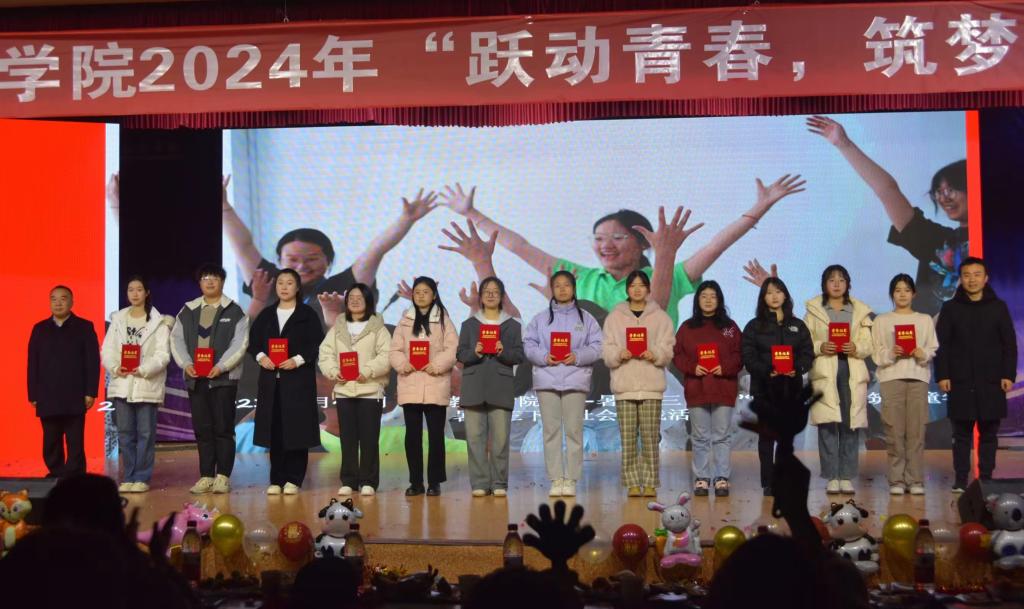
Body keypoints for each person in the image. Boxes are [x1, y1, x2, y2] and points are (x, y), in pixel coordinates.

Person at [438, 177, 805, 326]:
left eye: (616, 237)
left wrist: (761, 206)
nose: (605, 246)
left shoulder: (669, 275)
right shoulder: (578, 277)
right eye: (599, 238)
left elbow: (716, 244)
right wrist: (472, 214)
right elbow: (520, 246)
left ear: (643, 241)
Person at [222, 176, 438, 325]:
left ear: (328, 260)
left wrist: (406, 220)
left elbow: (376, 250)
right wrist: (224, 207)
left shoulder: (344, 286)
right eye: (292, 259)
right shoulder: (266, 282)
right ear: (279, 260)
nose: (301, 266)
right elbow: (243, 246)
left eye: (312, 259)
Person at [807, 115, 967, 315]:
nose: (944, 198)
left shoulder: (1000, 244)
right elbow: (887, 191)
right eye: (938, 192)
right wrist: (845, 145)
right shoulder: (941, 241)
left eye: (951, 190)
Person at [935, 257, 1017, 493]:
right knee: (961, 434)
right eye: (967, 275)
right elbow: (942, 345)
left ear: (986, 278)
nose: (972, 280)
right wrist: (942, 375)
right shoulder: (950, 308)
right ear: (961, 279)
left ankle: (986, 478)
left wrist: (1008, 375)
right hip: (959, 381)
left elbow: (1009, 345)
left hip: (992, 381)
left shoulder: (998, 307)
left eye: (977, 274)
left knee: (989, 433)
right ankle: (961, 479)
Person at [523, 271, 604, 497]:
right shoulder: (540, 319)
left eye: (566, 285)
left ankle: (571, 479)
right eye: (557, 285)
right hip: (546, 380)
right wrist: (543, 356)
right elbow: (528, 344)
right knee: (551, 431)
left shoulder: (586, 319)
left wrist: (577, 356)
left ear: (574, 288)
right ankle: (556, 479)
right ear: (552, 289)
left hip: (575, 380)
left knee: (574, 431)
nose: (562, 289)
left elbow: (598, 346)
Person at [170, 264, 249, 495]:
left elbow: (240, 343)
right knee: (203, 429)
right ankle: (206, 476)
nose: (210, 281)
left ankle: (223, 476)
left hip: (223, 379)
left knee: (223, 428)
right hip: (196, 379)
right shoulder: (188, 310)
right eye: (205, 278)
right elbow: (176, 340)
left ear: (222, 281)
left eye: (214, 277)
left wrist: (221, 366)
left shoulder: (235, 311)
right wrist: (186, 364)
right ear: (199, 283)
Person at [247, 269, 324, 495]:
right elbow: (253, 342)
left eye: (289, 283)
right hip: (271, 382)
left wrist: (297, 360)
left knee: (297, 429)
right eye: (280, 282)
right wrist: (262, 357)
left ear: (297, 288)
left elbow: (316, 343)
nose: (284, 287)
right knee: (275, 430)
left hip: (298, 381)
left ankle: (294, 479)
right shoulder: (267, 314)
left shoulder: (307, 314)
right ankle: (276, 479)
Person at [601, 270, 675, 497]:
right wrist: (618, 354)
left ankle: (650, 482)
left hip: (651, 386)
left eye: (641, 285)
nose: (637, 289)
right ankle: (633, 482)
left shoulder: (661, 317)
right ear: (627, 290)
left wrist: (656, 353)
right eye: (632, 285)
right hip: (624, 386)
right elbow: (606, 348)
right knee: (628, 438)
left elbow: (668, 346)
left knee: (651, 437)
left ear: (648, 289)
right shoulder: (614, 317)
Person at [804, 265, 874, 495]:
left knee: (850, 424)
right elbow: (805, 342)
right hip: (825, 372)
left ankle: (846, 475)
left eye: (841, 280)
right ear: (824, 284)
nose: (836, 284)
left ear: (847, 284)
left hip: (852, 371)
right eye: (831, 280)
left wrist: (856, 347)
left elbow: (869, 344)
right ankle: (831, 476)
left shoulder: (859, 310)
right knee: (827, 425)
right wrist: (820, 346)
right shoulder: (814, 310)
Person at [741, 278, 814, 496]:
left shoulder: (798, 325)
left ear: (785, 296)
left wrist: (797, 368)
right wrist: (767, 370)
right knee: (766, 438)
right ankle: (768, 482)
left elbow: (807, 354)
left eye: (778, 291)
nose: (774, 296)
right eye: (769, 293)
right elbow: (748, 356)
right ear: (763, 298)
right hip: (764, 389)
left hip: (791, 391)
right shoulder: (754, 326)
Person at [100, 276, 173, 493]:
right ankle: (129, 476)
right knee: (125, 433)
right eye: (130, 289)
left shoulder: (159, 322)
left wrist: (142, 369)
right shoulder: (118, 319)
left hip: (145, 384)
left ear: (147, 292)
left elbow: (163, 355)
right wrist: (115, 367)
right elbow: (107, 350)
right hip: (122, 384)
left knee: (145, 434)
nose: (134, 293)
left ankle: (142, 477)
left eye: (139, 289)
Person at [318, 283, 392, 496]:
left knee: (369, 438)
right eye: (351, 297)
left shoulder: (378, 328)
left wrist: (366, 371)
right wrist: (334, 372)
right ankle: (349, 480)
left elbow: (386, 355)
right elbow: (325, 355)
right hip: (344, 391)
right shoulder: (338, 328)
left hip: (370, 390)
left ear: (368, 301)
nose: (355, 301)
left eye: (360, 297)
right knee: (348, 438)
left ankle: (369, 481)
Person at [456, 277, 525, 498]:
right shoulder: (469, 325)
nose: (491, 294)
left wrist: (503, 351)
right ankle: (479, 482)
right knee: (475, 438)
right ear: (481, 296)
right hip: (474, 386)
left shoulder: (512, 325)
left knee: (501, 439)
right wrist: (474, 352)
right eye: (487, 291)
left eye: (495, 291)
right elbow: (460, 354)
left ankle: (499, 483)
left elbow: (519, 355)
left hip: (501, 386)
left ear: (502, 296)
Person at [389, 277, 458, 496]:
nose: (420, 295)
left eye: (425, 292)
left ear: (434, 295)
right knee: (413, 437)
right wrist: (403, 364)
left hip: (435, 383)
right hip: (410, 383)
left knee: (436, 437)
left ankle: (434, 482)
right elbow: (394, 350)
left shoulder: (444, 320)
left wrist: (436, 365)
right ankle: (416, 482)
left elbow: (453, 348)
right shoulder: (405, 319)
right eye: (417, 292)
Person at [871, 274, 938, 496]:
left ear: (914, 294)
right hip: (891, 378)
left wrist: (922, 353)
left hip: (918, 377)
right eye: (898, 290)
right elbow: (876, 353)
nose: (902, 294)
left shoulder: (924, 320)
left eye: (907, 290)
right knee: (894, 431)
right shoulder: (882, 321)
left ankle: (915, 479)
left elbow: (932, 348)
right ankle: (896, 480)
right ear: (892, 294)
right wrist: (891, 353)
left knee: (916, 431)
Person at [673, 280, 742, 497]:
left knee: (722, 435)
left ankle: (721, 477)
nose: (708, 300)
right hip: (697, 388)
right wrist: (693, 367)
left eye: (713, 296)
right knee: (700, 437)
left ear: (719, 300)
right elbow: (677, 355)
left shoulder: (729, 327)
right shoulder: (687, 328)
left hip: (724, 387)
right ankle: (701, 478)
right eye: (704, 296)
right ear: (697, 300)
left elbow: (740, 354)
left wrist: (725, 367)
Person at [27, 285, 100, 478]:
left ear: (72, 302)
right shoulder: (39, 329)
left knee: (75, 442)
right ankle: (55, 475)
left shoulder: (84, 327)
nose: (58, 303)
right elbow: (32, 363)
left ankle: (75, 479)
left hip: (75, 394)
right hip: (47, 395)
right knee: (51, 441)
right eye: (54, 299)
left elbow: (92, 362)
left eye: (63, 298)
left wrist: (91, 392)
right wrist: (33, 394)